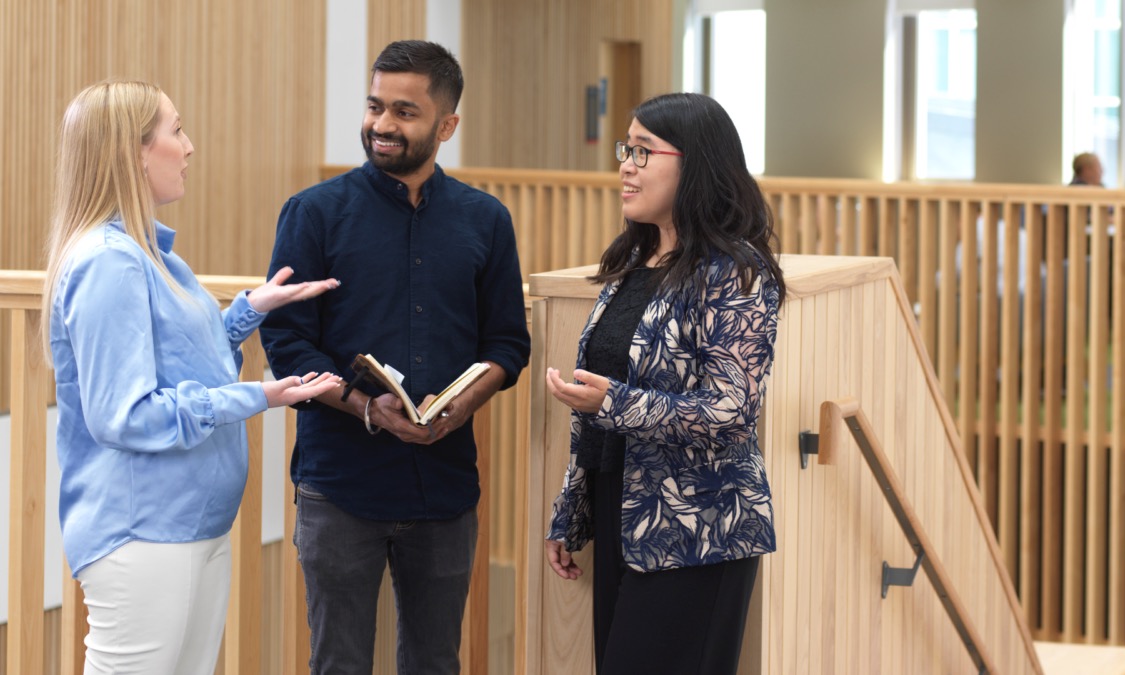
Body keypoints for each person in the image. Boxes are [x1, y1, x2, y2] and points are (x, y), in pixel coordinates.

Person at [42, 80, 342, 675]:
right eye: (175, 130)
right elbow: (123, 415)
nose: (189, 146)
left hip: (193, 525)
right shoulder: (109, 263)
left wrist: (249, 311)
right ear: (134, 152)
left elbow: (181, 359)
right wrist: (258, 395)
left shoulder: (152, 253)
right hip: (143, 531)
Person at [259, 40, 530, 674]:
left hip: (446, 489)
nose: (382, 125)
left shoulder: (486, 220)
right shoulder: (313, 214)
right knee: (339, 664)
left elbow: (507, 345)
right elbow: (286, 344)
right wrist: (366, 408)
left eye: (404, 112)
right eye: (375, 106)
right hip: (339, 485)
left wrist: (468, 400)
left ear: (447, 125)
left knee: (436, 663)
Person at [543, 92, 787, 675]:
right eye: (627, 149)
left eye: (644, 151)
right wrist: (572, 510)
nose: (625, 164)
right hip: (622, 508)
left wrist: (615, 402)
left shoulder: (736, 271)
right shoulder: (637, 261)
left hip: (698, 524)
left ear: (695, 163)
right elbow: (602, 408)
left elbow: (730, 409)